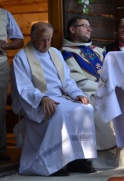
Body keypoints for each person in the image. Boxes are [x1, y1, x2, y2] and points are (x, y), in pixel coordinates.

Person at [10, 22, 96, 176]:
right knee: (60, 112)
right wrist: (42, 98)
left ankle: (79, 160)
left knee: (86, 108)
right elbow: (24, 87)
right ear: (33, 38)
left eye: (49, 39)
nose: (47, 43)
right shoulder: (21, 58)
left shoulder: (55, 53)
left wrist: (78, 94)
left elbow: (67, 80)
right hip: (35, 102)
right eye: (43, 40)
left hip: (60, 97)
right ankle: (54, 164)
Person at [60, 16, 124, 169]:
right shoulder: (65, 53)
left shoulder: (97, 50)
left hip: (107, 90)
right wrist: (102, 89)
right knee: (104, 109)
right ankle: (107, 160)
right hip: (90, 94)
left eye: (89, 26)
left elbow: (112, 72)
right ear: (72, 29)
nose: (89, 29)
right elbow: (75, 80)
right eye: (84, 26)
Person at [0, 8, 24, 161]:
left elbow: (19, 40)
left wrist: (5, 46)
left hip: (0, 65)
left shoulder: (4, 14)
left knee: (0, 106)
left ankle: (0, 149)